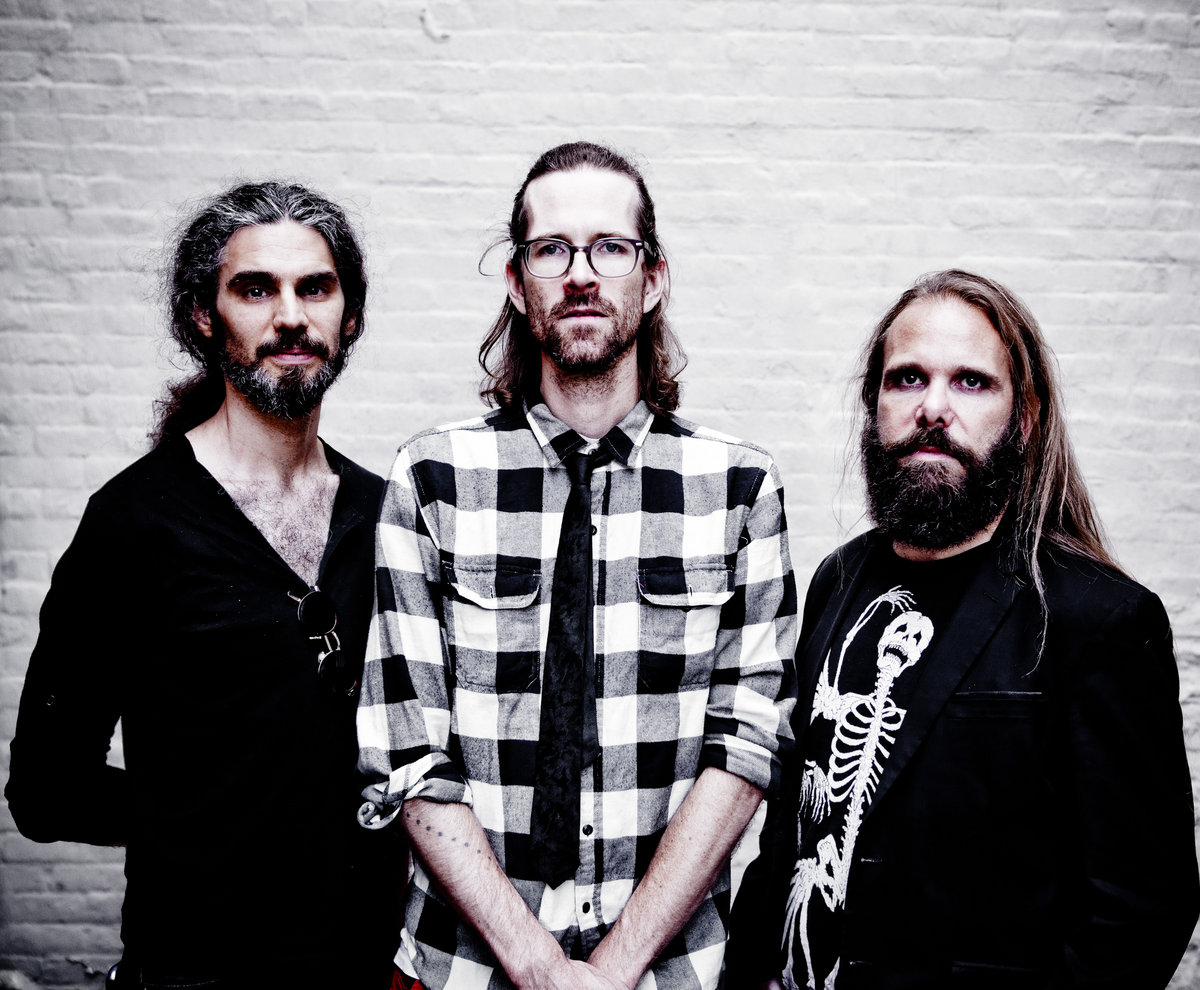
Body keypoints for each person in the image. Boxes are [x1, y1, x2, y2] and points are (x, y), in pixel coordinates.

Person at [356, 141, 798, 990]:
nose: (582, 274)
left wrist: (613, 970)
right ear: (517, 282)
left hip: (672, 975)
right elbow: (407, 750)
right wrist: (540, 969)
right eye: (552, 250)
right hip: (462, 972)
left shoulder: (740, 487)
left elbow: (746, 747)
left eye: (611, 248)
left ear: (654, 278)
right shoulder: (432, 478)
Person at [741, 269, 1199, 989]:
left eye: (972, 383)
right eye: (907, 378)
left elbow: (1139, 914)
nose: (933, 408)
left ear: (1024, 419)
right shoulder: (838, 578)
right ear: (873, 406)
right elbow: (789, 830)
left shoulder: (1099, 620)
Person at [6, 181, 402, 989]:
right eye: (254, 289)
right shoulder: (134, 522)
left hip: (370, 972)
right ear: (202, 316)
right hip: (193, 975)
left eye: (315, 288)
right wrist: (212, 819)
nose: (289, 316)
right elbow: (46, 794)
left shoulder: (389, 515)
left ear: (350, 317)